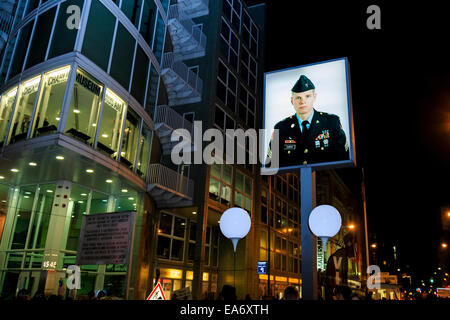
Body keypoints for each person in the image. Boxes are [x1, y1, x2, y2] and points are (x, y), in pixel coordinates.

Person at [268, 75, 349, 167]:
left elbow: (345, 160)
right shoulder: (281, 128)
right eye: (298, 98)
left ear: (314, 97)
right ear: (292, 101)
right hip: (294, 180)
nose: (303, 101)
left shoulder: (331, 122)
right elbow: (271, 165)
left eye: (307, 96)